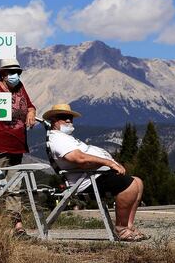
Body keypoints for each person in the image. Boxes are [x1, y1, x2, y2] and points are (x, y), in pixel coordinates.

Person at [43, 103, 147, 241]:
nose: (68, 120)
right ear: (53, 120)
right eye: (63, 117)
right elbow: (79, 158)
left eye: (70, 117)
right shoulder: (58, 139)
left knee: (138, 182)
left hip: (93, 175)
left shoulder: (65, 137)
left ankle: (129, 227)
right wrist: (108, 162)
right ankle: (121, 229)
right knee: (130, 186)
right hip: (85, 180)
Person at [0, 58, 36, 236]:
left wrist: (31, 111)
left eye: (18, 72)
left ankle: (17, 226)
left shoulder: (20, 87)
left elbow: (29, 105)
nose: (16, 75)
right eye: (12, 72)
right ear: (3, 74)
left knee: (14, 188)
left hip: (17, 146)